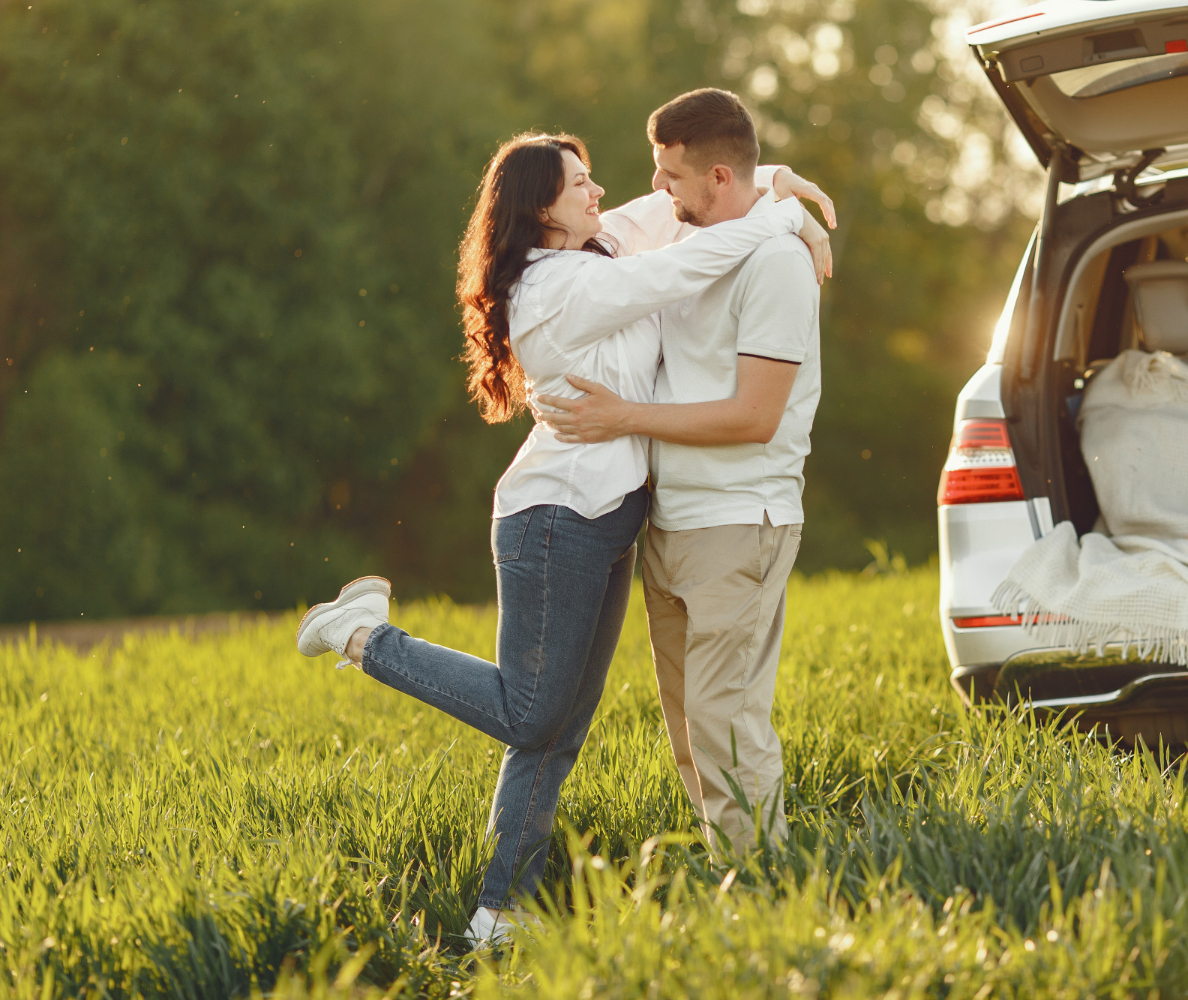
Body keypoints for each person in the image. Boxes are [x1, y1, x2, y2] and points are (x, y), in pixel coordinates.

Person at [292, 131, 833, 948]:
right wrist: (786, 218)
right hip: (555, 519)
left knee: (558, 729)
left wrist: (777, 181)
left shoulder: (599, 246)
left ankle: (499, 913)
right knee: (530, 711)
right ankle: (363, 636)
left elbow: (685, 200)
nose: (598, 191)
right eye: (580, 183)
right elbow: (687, 264)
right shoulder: (559, 286)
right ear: (541, 208)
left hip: (610, 517)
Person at [537, 89, 824, 854]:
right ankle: (731, 866)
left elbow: (754, 416)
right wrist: (788, 193)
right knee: (690, 725)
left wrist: (622, 417)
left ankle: (764, 880)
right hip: (674, 521)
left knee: (726, 718)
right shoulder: (686, 235)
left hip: (739, 519)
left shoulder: (776, 265)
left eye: (669, 173)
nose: (656, 186)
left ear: (719, 177)